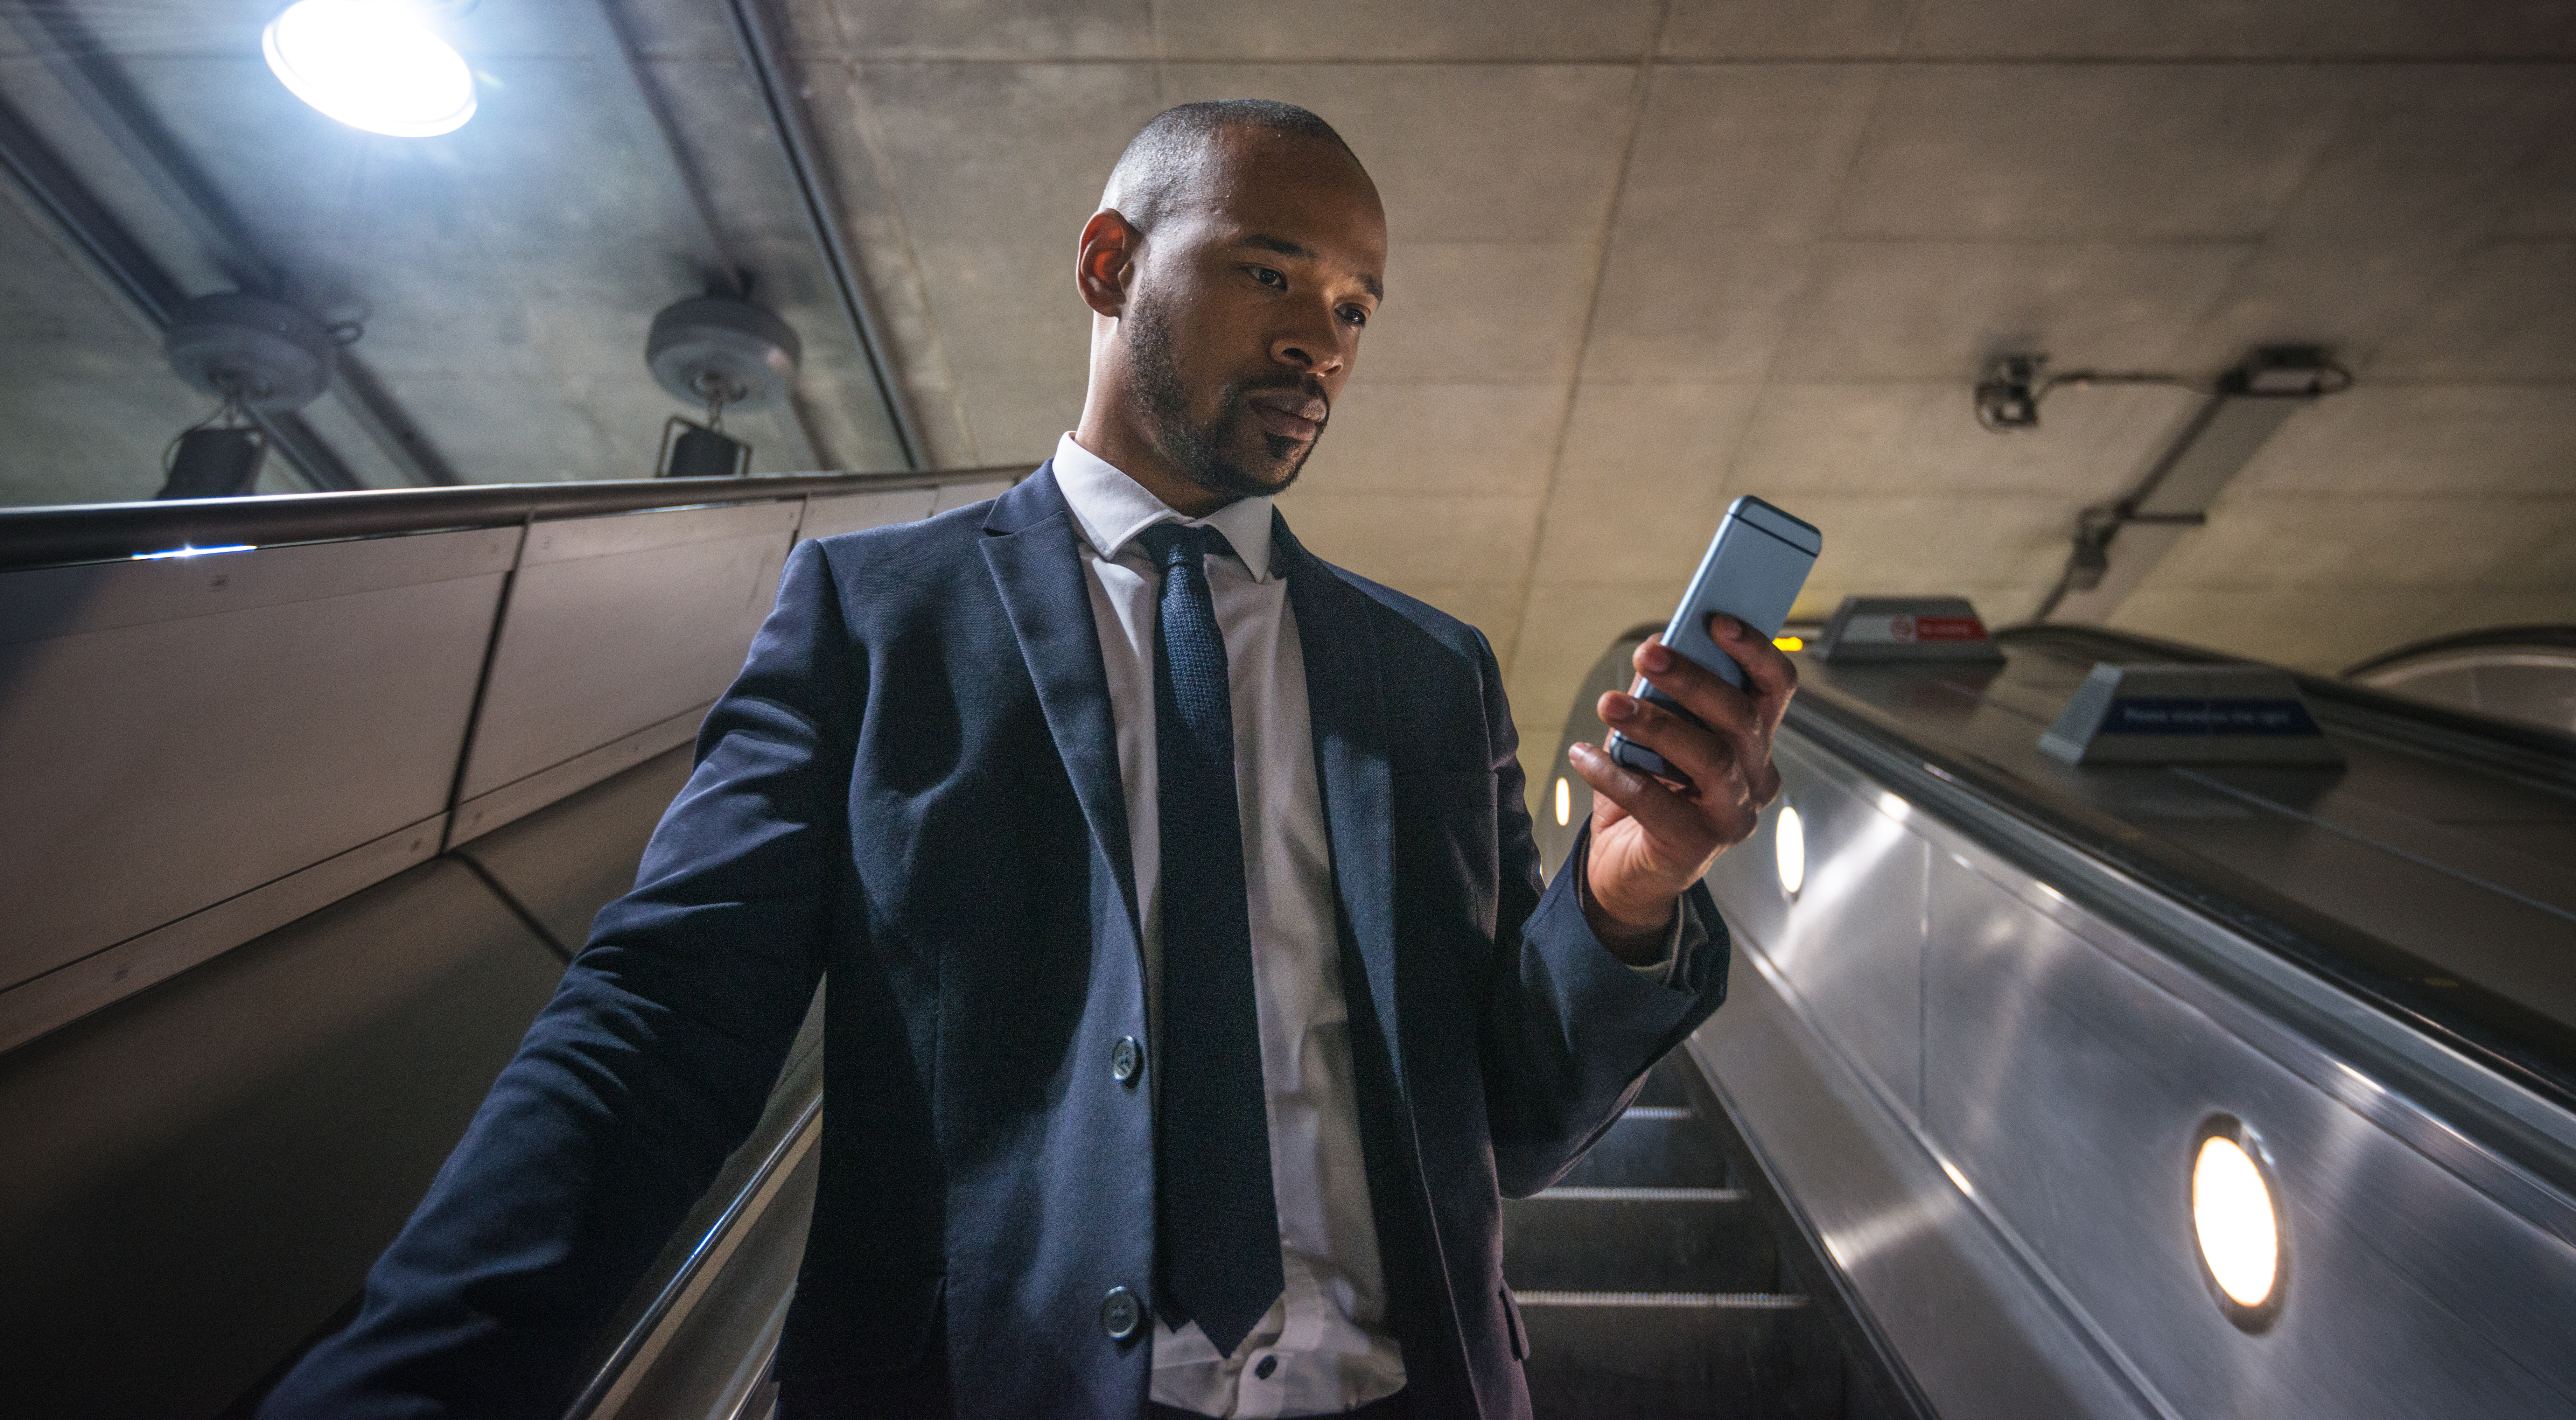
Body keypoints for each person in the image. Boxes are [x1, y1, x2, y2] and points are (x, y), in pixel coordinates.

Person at [263, 100, 1797, 1420]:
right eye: (1269, 270)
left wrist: (1627, 892)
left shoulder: (1430, 672)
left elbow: (1512, 1128)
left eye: (1354, 307)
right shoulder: (876, 617)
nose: (1317, 340)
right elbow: (659, 1026)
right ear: (1109, 264)